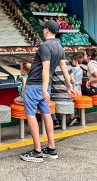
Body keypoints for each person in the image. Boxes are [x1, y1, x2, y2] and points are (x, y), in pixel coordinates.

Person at [20, 19, 77, 162]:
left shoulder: (45, 46)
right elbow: (64, 68)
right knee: (46, 114)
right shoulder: (60, 47)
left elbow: (45, 69)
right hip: (46, 86)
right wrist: (69, 87)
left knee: (31, 115)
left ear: (46, 30)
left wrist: (44, 89)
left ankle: (37, 151)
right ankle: (51, 149)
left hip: (35, 85)